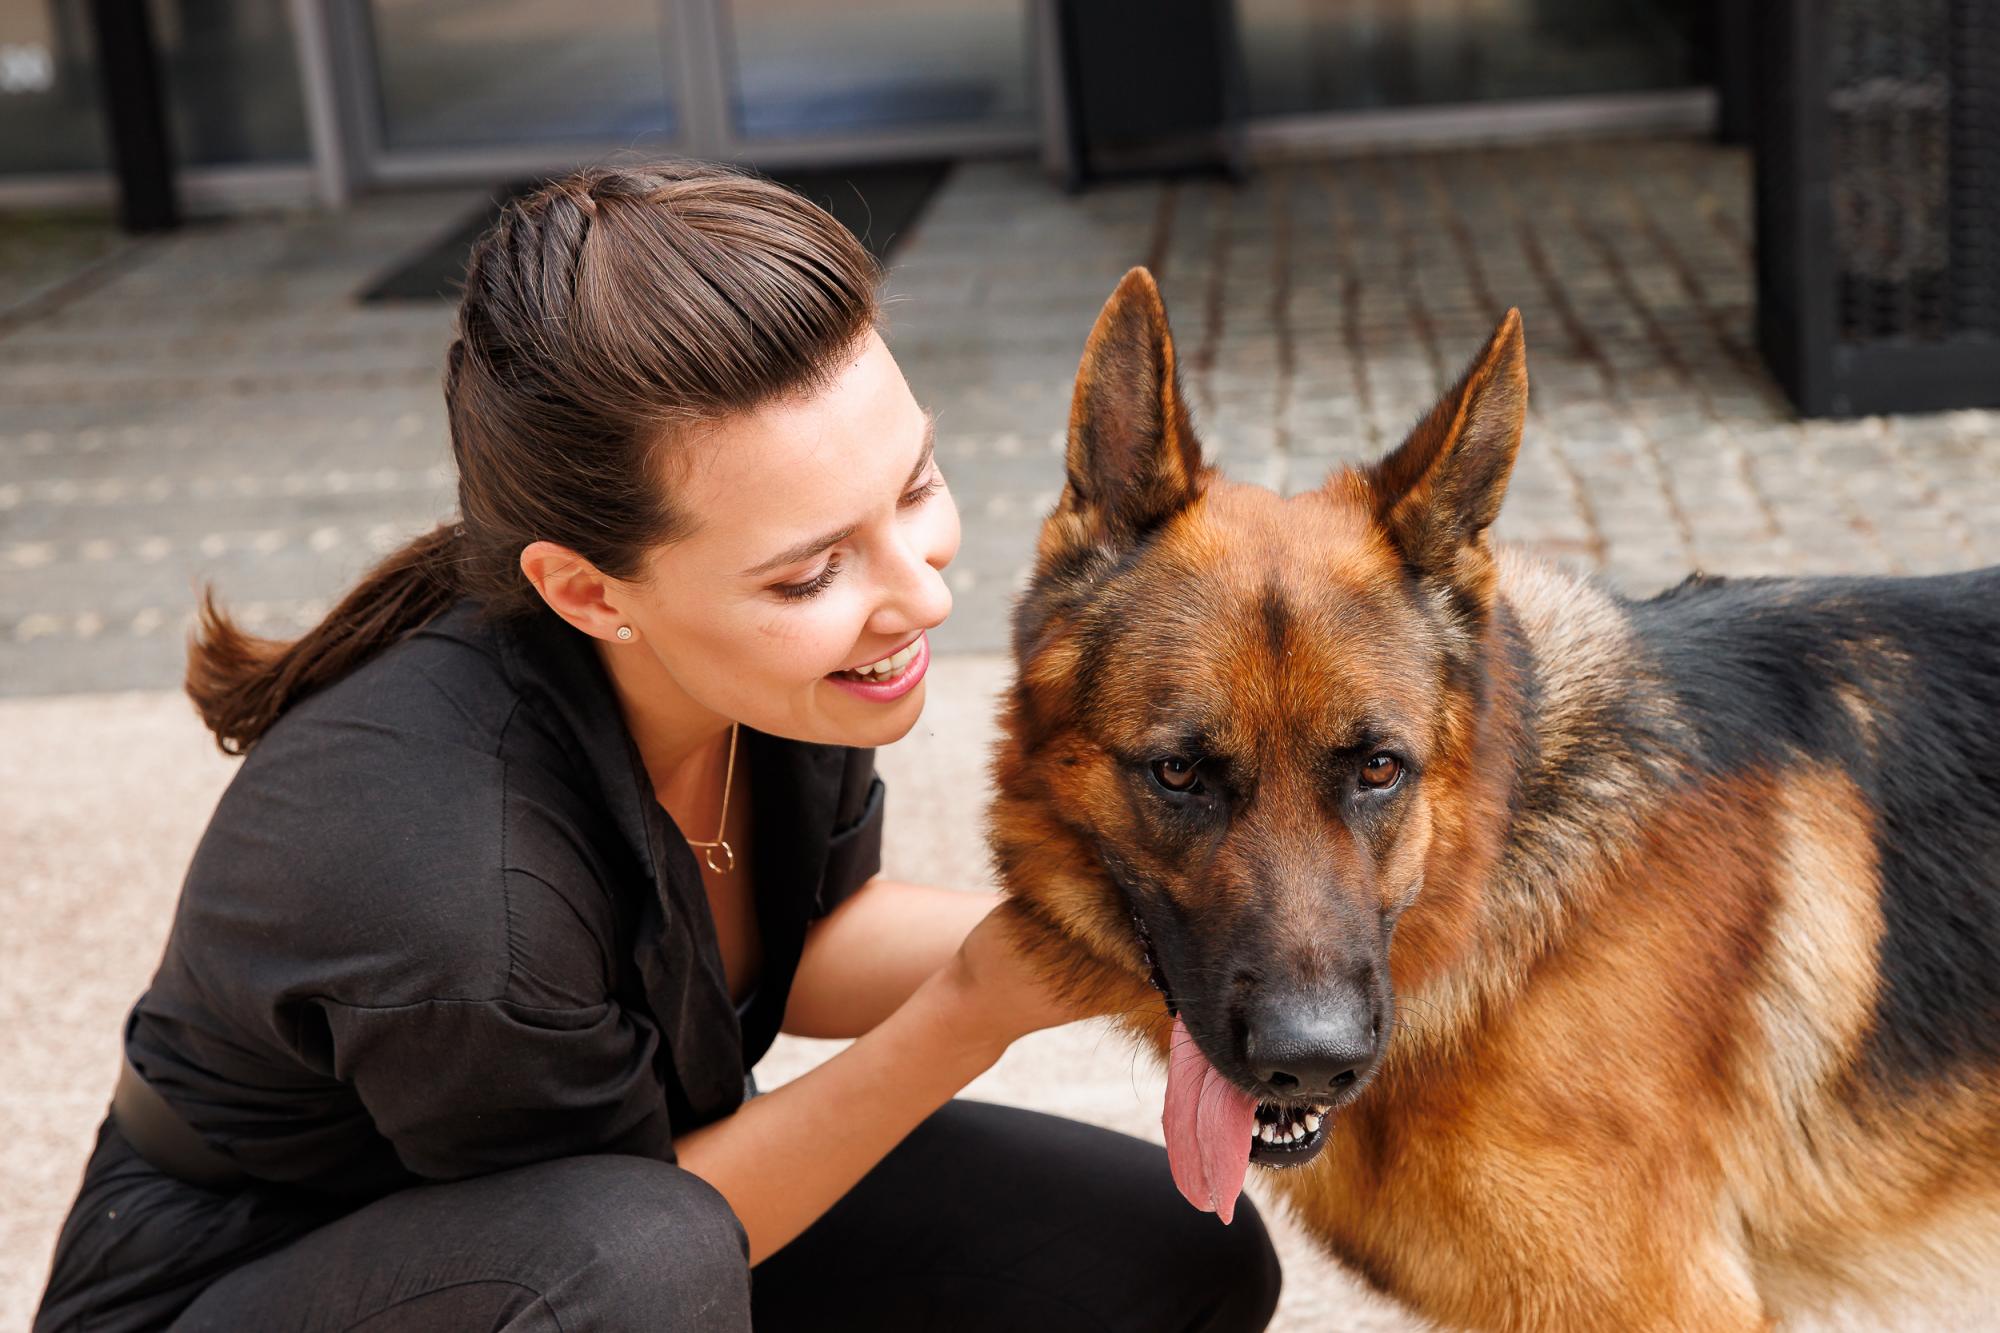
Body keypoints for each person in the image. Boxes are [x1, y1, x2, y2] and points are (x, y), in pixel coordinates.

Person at [34, 163, 1283, 1332]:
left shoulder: (759, 668)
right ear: (587, 592)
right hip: (264, 1281)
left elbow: (796, 946)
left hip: (580, 1241)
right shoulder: (460, 895)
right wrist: (968, 1011)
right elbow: (638, 1254)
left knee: (1172, 1255)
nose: (919, 596)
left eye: (910, 489)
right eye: (812, 571)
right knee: (650, 1263)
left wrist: (1129, 934)